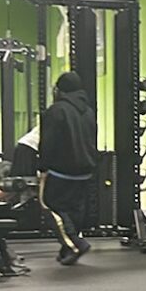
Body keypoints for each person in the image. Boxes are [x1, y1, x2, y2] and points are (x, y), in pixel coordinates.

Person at [39, 71, 99, 264]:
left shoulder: (56, 110)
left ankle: (75, 244)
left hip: (61, 170)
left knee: (51, 206)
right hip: (85, 170)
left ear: (60, 90)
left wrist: (42, 167)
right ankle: (67, 248)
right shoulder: (88, 111)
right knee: (74, 210)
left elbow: (48, 142)